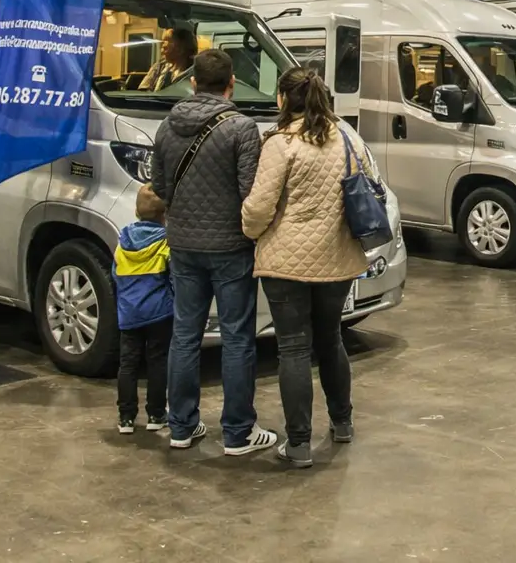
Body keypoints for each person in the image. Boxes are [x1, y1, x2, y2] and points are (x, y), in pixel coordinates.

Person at [150, 48, 278, 456]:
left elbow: (159, 187)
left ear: (192, 83)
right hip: (231, 248)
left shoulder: (167, 126)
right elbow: (249, 192)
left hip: (183, 245)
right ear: (231, 85)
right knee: (237, 337)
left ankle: (181, 426)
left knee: (184, 334)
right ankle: (238, 433)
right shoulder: (241, 128)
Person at [242, 68, 370, 470]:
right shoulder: (348, 137)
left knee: (294, 347)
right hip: (338, 258)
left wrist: (249, 229)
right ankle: (342, 422)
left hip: (286, 263)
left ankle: (298, 444)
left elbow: (259, 208)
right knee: (330, 338)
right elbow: (370, 182)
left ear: (283, 99)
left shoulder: (281, 143)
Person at [115, 185, 174, 434]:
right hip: (159, 313)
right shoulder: (165, 242)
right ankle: (156, 414)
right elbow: (172, 275)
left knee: (128, 364)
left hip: (129, 313)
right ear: (164, 215)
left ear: (136, 212)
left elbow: (115, 275)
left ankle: (126, 417)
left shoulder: (123, 242)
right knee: (157, 362)